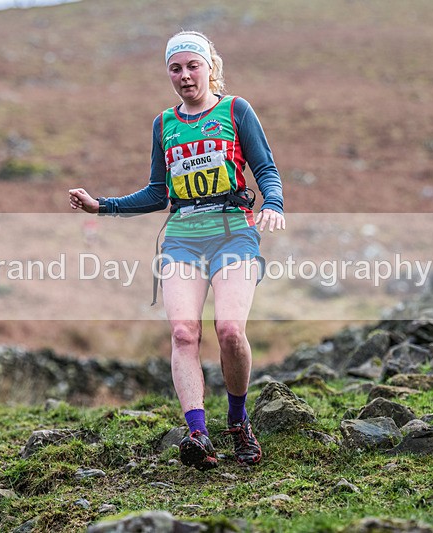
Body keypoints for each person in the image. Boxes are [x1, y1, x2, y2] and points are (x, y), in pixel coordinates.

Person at [69, 30, 285, 471]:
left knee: (229, 331)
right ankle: (197, 434)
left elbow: (265, 167)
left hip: (233, 232)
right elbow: (156, 192)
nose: (185, 75)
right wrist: (102, 205)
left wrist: (275, 204)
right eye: (175, 68)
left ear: (209, 66)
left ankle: (238, 421)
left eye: (192, 65)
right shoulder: (163, 124)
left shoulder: (235, 110)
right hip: (183, 236)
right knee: (185, 333)